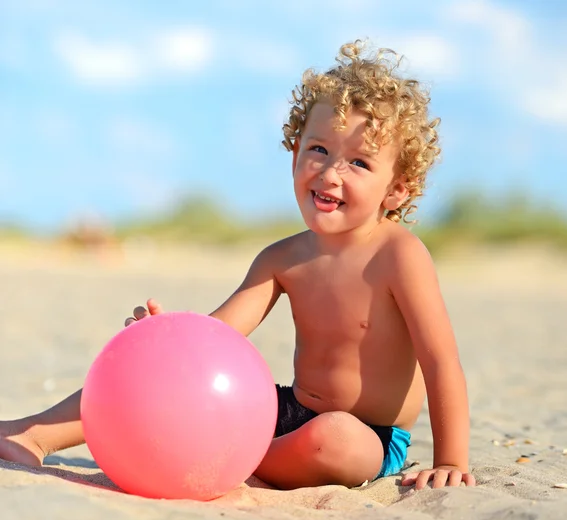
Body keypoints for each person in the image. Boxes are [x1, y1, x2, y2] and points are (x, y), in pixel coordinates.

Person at [0, 40, 475, 492]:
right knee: (163, 370)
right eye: (318, 150)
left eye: (359, 163)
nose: (330, 173)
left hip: (370, 437)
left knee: (337, 439)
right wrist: (166, 340)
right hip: (285, 411)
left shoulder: (399, 255)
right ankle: (31, 435)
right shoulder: (283, 258)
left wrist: (451, 460)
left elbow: (440, 361)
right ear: (295, 153)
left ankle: (230, 459)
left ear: (397, 190)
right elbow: (215, 338)